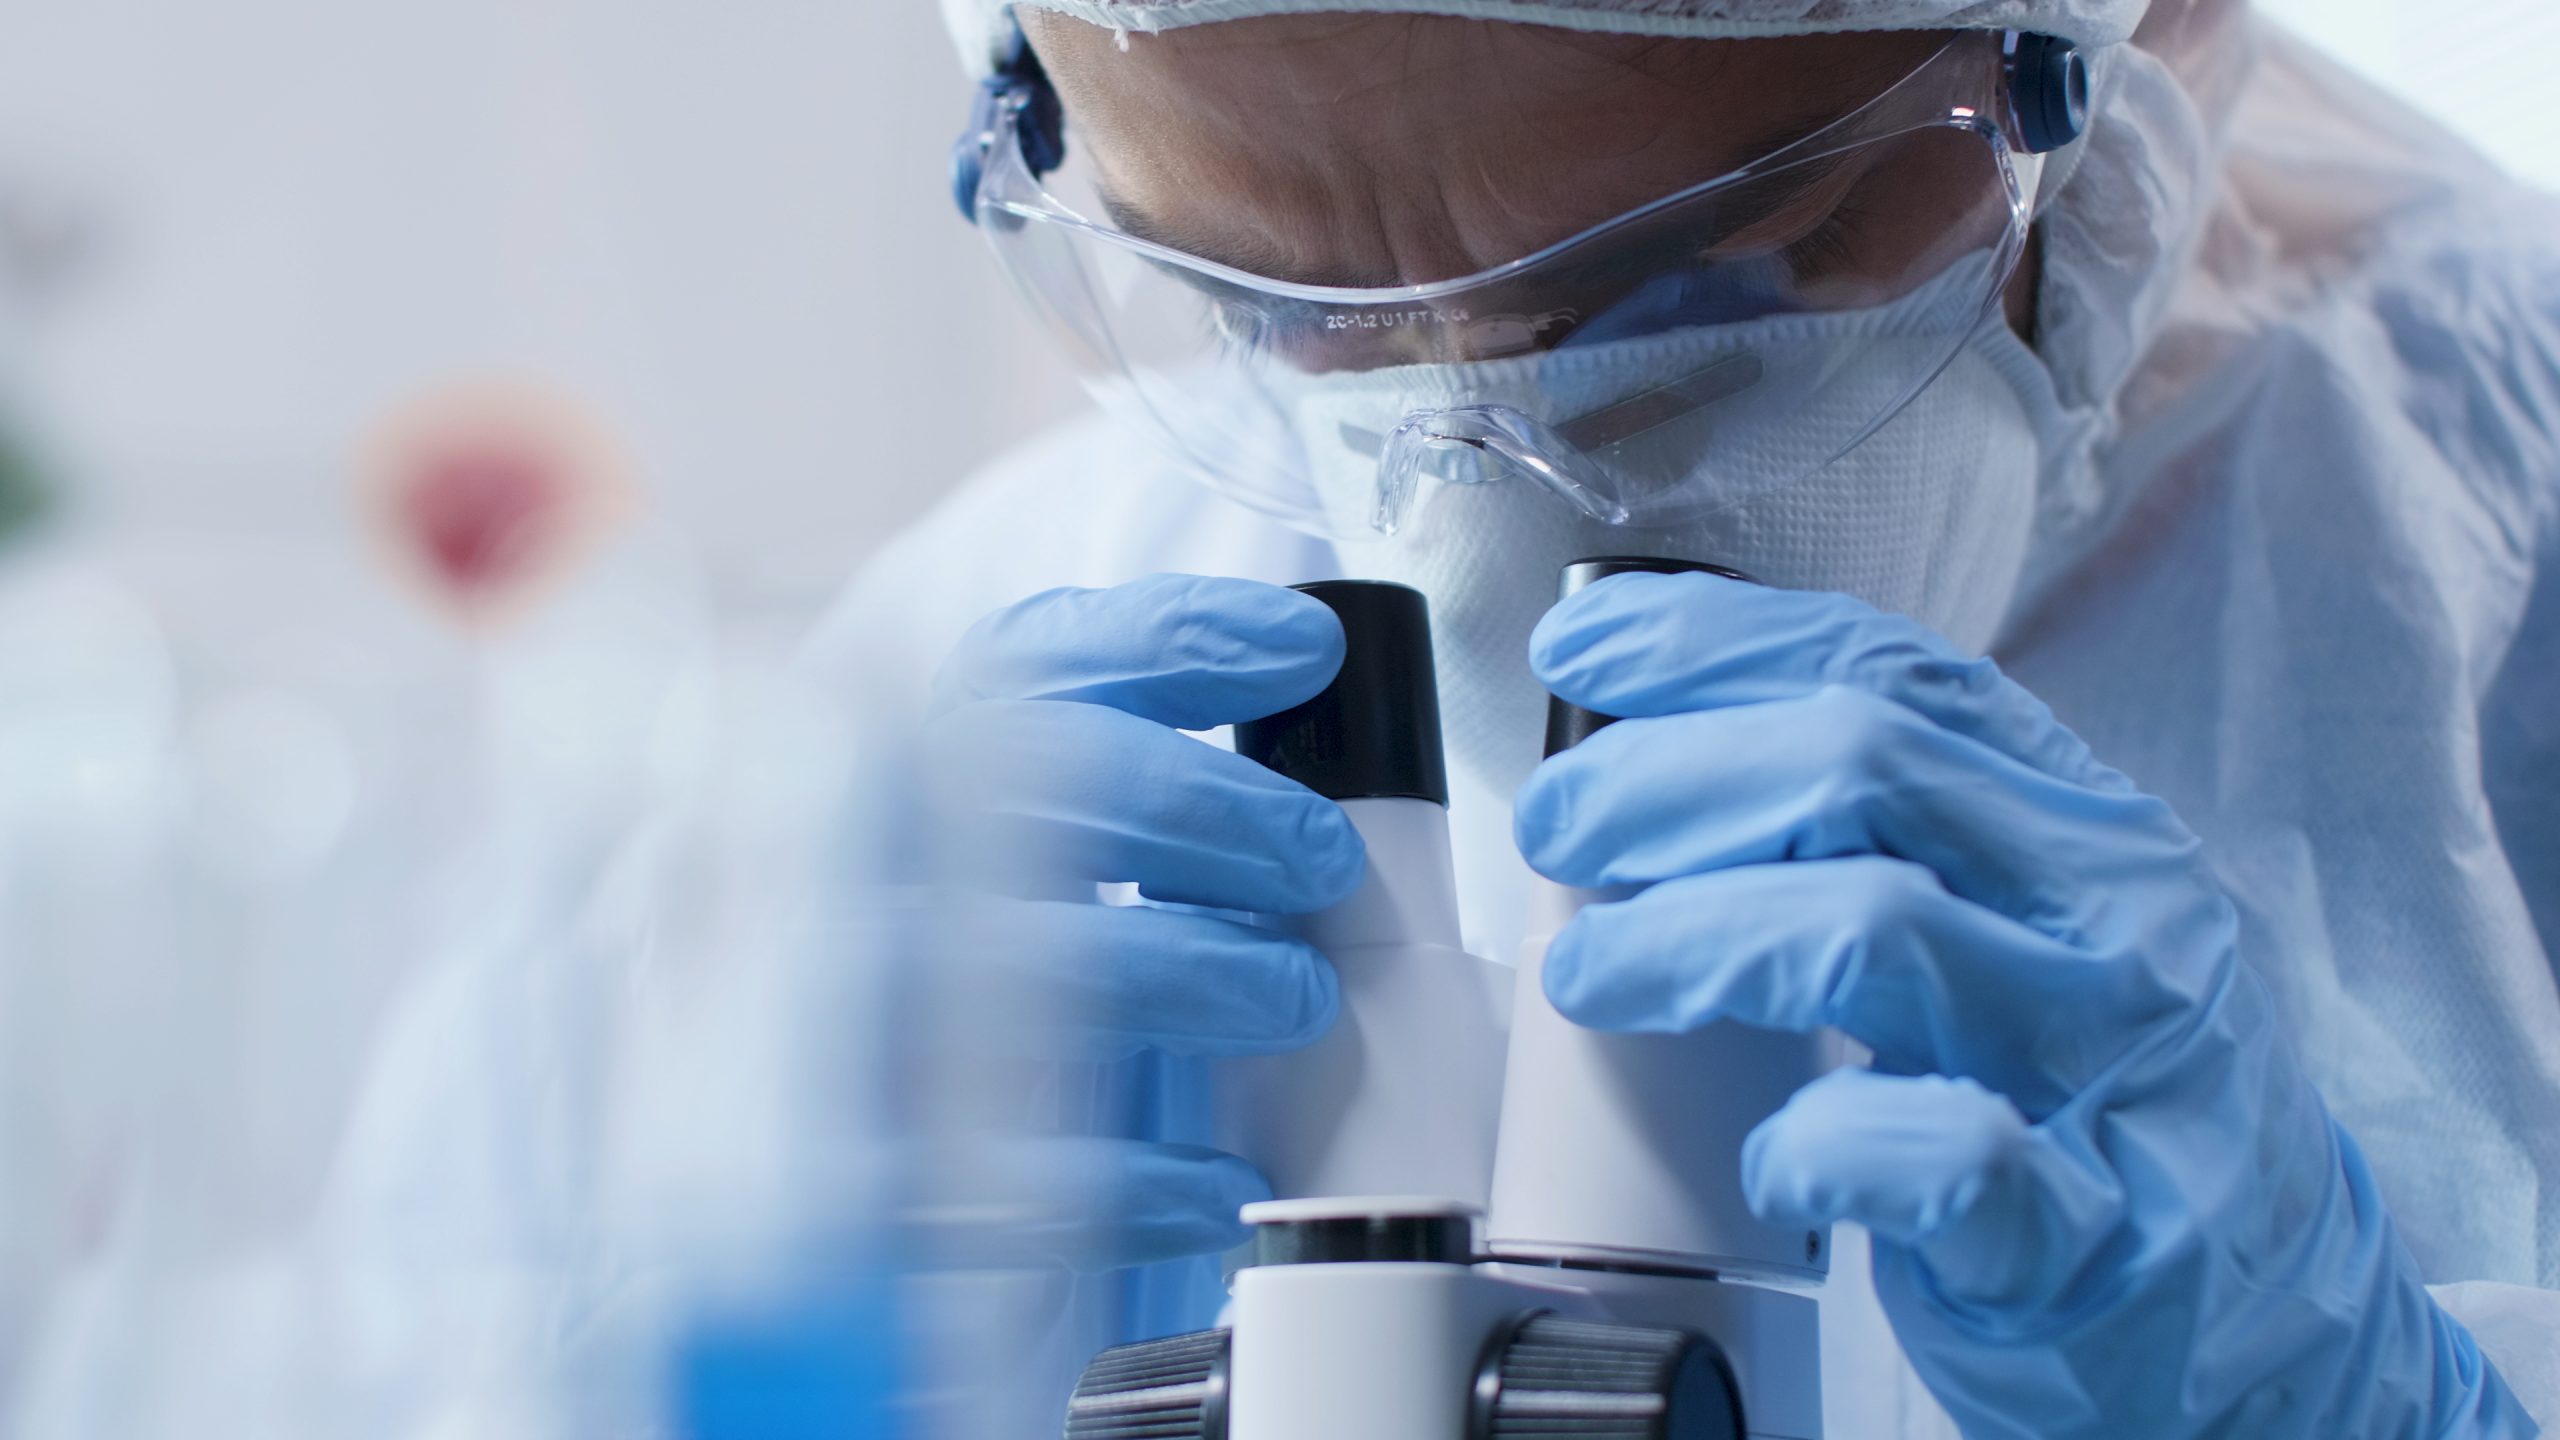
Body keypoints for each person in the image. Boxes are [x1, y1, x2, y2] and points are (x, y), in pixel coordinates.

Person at [819, 0, 2560, 1432]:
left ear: (2118, 45)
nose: (1477, 539)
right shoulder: (973, 700)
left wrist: (2354, 1406)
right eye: (1275, 305)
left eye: (1718, 266)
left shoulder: (2504, 542)